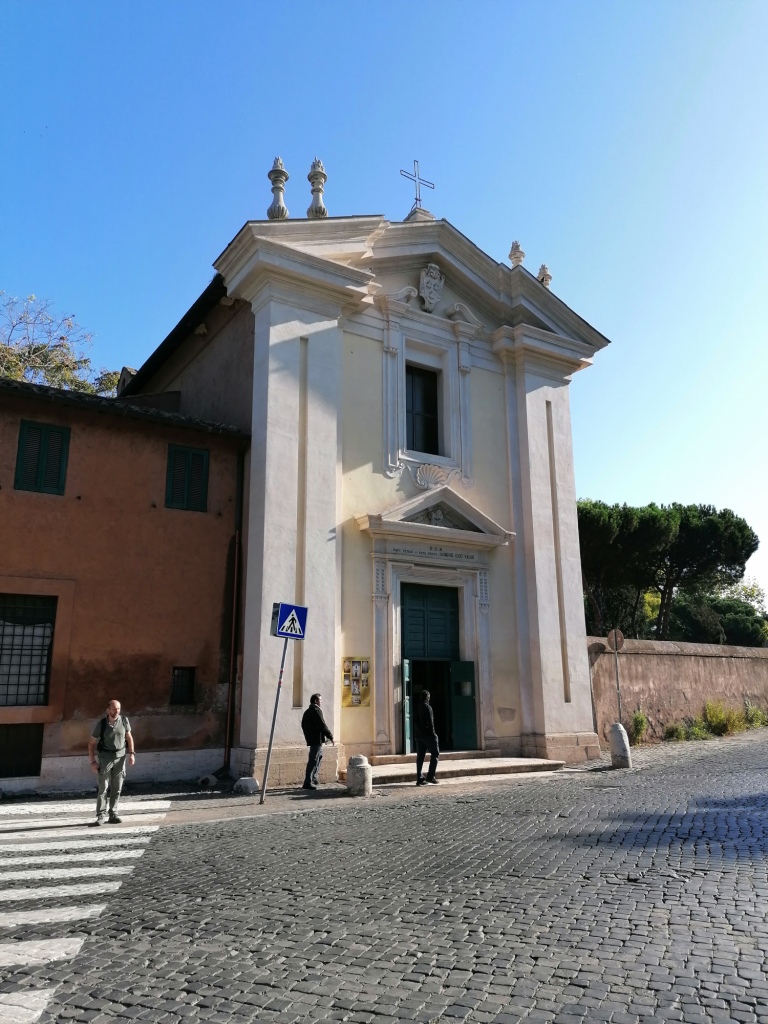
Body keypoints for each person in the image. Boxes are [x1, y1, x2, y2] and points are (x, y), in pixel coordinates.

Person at [88, 699, 135, 824]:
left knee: (117, 787)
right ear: (108, 710)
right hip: (105, 758)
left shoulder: (124, 721)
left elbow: (129, 738)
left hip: (120, 757)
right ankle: (101, 815)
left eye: (119, 708)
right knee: (103, 788)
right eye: (114, 709)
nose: (117, 711)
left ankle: (113, 813)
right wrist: (92, 762)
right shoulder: (102, 724)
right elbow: (91, 743)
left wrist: (132, 754)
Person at [300, 693, 333, 790]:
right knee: (313, 760)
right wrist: (330, 736)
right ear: (316, 701)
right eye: (320, 700)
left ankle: (314, 778)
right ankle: (307, 782)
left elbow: (303, 725)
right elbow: (322, 725)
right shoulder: (316, 711)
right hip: (316, 740)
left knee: (319, 757)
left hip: (313, 739)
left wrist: (308, 736)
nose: (321, 702)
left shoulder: (307, 712)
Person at [415, 689, 439, 786]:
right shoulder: (428, 708)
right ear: (428, 698)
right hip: (428, 736)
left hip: (418, 735)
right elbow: (430, 722)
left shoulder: (416, 707)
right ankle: (431, 776)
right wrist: (433, 734)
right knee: (435, 754)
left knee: (420, 757)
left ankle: (419, 778)